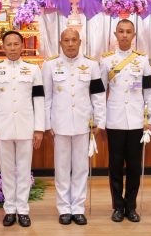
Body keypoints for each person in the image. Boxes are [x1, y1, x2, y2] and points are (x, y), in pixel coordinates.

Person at [42, 28, 106, 225]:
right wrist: (47, 123)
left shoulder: (91, 65)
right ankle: (64, 208)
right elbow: (46, 97)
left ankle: (78, 208)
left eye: (74, 40)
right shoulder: (50, 65)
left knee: (80, 168)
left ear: (80, 42)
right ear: (60, 43)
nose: (70, 44)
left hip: (83, 123)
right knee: (62, 168)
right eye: (66, 40)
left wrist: (99, 120)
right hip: (59, 124)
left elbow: (98, 95)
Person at [0, 30, 45, 227]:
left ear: (22, 46)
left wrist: (39, 128)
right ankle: (10, 209)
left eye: (16, 44)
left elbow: (39, 100)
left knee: (24, 170)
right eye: (9, 44)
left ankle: (23, 209)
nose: (12, 48)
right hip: (3, 128)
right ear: (3, 47)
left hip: (26, 127)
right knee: (7, 170)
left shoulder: (33, 69)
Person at [99, 19, 151, 223]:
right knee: (115, 166)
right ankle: (117, 206)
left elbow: (149, 92)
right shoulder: (106, 61)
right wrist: (100, 121)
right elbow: (100, 93)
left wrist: (150, 119)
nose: (124, 35)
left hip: (137, 121)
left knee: (133, 167)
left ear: (133, 35)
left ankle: (130, 207)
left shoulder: (142, 60)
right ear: (115, 34)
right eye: (121, 31)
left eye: (128, 32)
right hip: (114, 120)